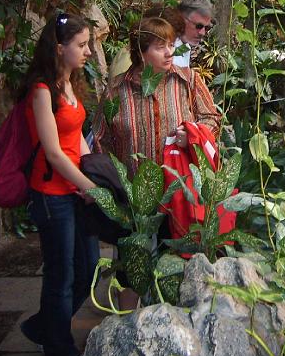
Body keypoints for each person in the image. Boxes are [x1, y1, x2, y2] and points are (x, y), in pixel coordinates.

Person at [91, 17, 220, 305]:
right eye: (160, 47)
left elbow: (212, 118)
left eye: (170, 45)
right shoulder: (115, 91)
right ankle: (126, 324)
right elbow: (101, 138)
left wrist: (193, 136)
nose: (169, 52)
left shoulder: (188, 81)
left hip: (179, 196)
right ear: (141, 51)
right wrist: (115, 184)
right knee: (131, 270)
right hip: (133, 200)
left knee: (173, 267)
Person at [18, 12, 100, 356]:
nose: (88, 51)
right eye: (81, 45)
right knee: (61, 275)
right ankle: (60, 352)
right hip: (52, 195)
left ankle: (42, 328)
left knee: (89, 267)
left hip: (74, 190)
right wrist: (89, 186)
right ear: (59, 48)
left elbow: (75, 135)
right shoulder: (41, 91)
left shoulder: (70, 83)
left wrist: (94, 173)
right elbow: (53, 152)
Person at [171, 0, 215, 67]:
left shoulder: (185, 46)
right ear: (181, 18)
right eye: (199, 26)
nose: (202, 33)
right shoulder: (163, 46)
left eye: (207, 28)